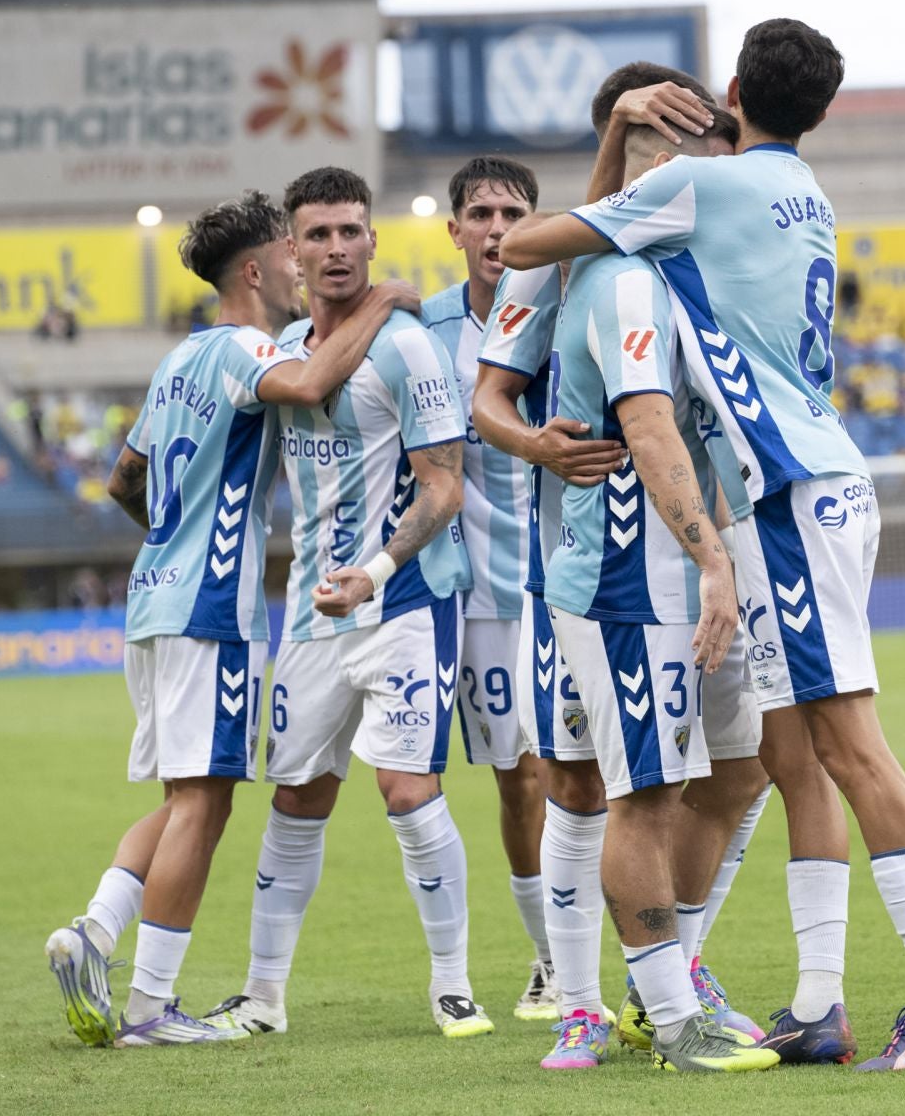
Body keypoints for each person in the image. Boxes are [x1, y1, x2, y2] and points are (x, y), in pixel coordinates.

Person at [501, 19, 905, 1071]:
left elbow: (528, 244)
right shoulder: (797, 189)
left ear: (729, 92)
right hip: (802, 483)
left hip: (784, 493)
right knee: (790, 755)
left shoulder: (703, 188)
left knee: (849, 743)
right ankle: (818, 1001)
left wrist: (631, 131)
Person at [43, 189, 412, 1049]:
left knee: (185, 796)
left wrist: (172, 541)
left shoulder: (179, 359)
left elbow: (122, 480)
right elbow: (314, 379)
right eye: (291, 255)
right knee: (206, 806)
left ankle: (94, 932)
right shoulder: (248, 347)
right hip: (212, 607)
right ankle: (148, 1010)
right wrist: (387, 299)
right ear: (255, 269)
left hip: (154, 596)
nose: (301, 267)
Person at [473, 66, 772, 1071]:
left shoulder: (691, 261)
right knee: (586, 779)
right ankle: (589, 999)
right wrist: (537, 447)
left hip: (677, 560)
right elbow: (492, 397)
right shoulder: (573, 262)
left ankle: (672, 972)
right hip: (596, 564)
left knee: (735, 766)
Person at [207, 167, 491, 1042]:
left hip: (403, 602)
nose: (335, 249)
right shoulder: (287, 350)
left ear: (374, 240)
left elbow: (445, 486)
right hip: (310, 618)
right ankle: (263, 996)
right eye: (318, 235)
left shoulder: (408, 348)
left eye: (350, 232)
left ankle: (453, 986)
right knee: (297, 798)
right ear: (290, 248)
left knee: (409, 792)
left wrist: (374, 566)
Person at [420, 155, 557, 1020]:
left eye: (513, 212)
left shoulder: (563, 304)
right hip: (472, 596)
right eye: (481, 213)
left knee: (573, 770)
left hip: (564, 581)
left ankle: (594, 957)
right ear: (456, 229)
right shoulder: (423, 328)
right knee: (518, 778)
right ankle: (550, 960)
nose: (497, 228)